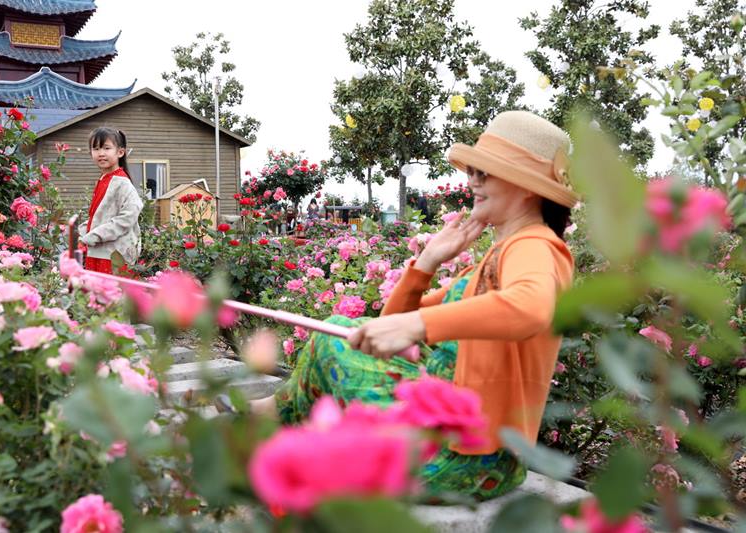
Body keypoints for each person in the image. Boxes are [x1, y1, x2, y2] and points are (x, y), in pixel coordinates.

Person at [227, 110, 578, 500]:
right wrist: (427, 262)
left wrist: (418, 327)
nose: (472, 181)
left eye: (485, 172)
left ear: (526, 186)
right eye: (472, 171)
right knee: (339, 328)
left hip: (471, 455)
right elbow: (391, 325)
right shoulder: (503, 252)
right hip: (457, 434)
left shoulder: (536, 246)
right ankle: (271, 420)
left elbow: (531, 308)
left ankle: (269, 425)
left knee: (331, 344)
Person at [79, 127, 143, 274]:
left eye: (106, 148)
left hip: (114, 255)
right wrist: (82, 233)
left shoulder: (122, 183)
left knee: (113, 294)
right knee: (97, 294)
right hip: (99, 251)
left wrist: (94, 236)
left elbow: (129, 216)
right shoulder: (103, 179)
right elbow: (97, 216)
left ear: (120, 152)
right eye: (96, 149)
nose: (101, 153)